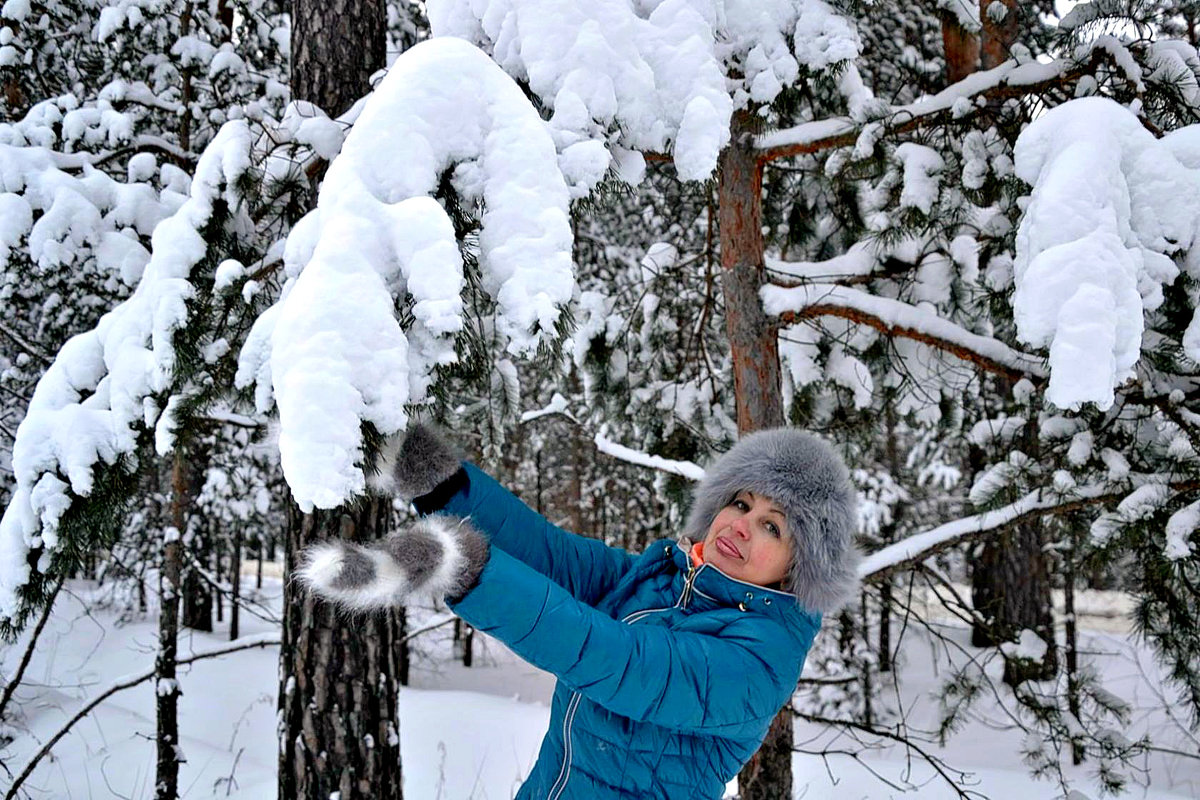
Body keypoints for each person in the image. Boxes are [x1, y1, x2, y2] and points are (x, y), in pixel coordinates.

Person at [300, 424, 859, 800]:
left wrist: (467, 568)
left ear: (796, 567)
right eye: (740, 502)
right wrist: (438, 481)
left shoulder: (758, 661)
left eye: (772, 525)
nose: (740, 523)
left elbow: (620, 662)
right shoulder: (660, 580)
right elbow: (552, 555)